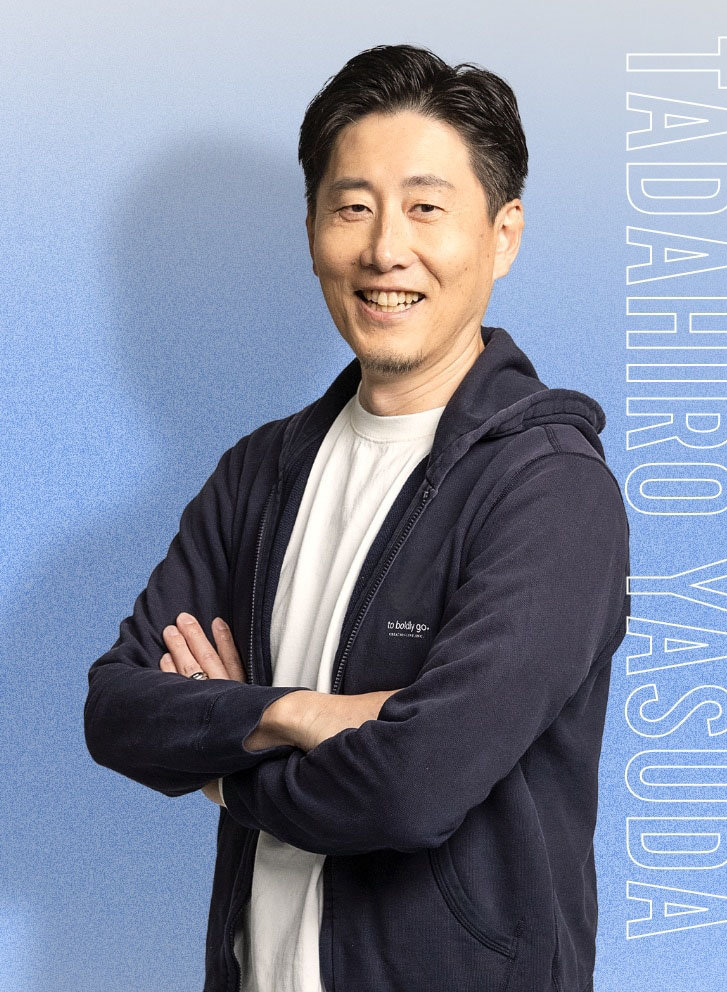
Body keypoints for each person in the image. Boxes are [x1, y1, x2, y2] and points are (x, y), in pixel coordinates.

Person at [83, 43, 630, 992]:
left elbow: (414, 787)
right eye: (353, 207)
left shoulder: (551, 491)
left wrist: (222, 761)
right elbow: (119, 710)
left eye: (425, 207)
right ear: (312, 232)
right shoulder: (259, 472)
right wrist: (299, 713)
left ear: (503, 235)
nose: (385, 250)